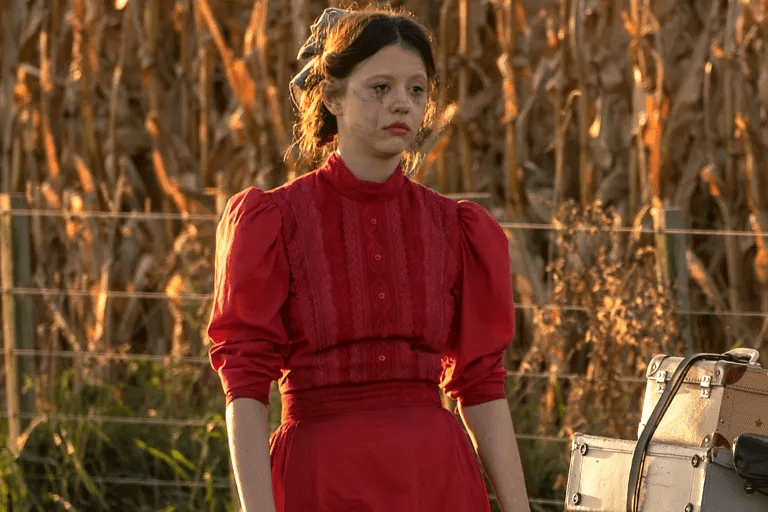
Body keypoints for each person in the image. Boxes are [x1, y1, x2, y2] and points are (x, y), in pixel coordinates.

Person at [207, 6, 531, 512]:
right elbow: (245, 383)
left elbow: (481, 385)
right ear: (332, 96)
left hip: (435, 481)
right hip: (322, 480)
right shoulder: (274, 221)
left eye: (416, 90)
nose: (402, 103)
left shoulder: (455, 228)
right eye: (380, 88)